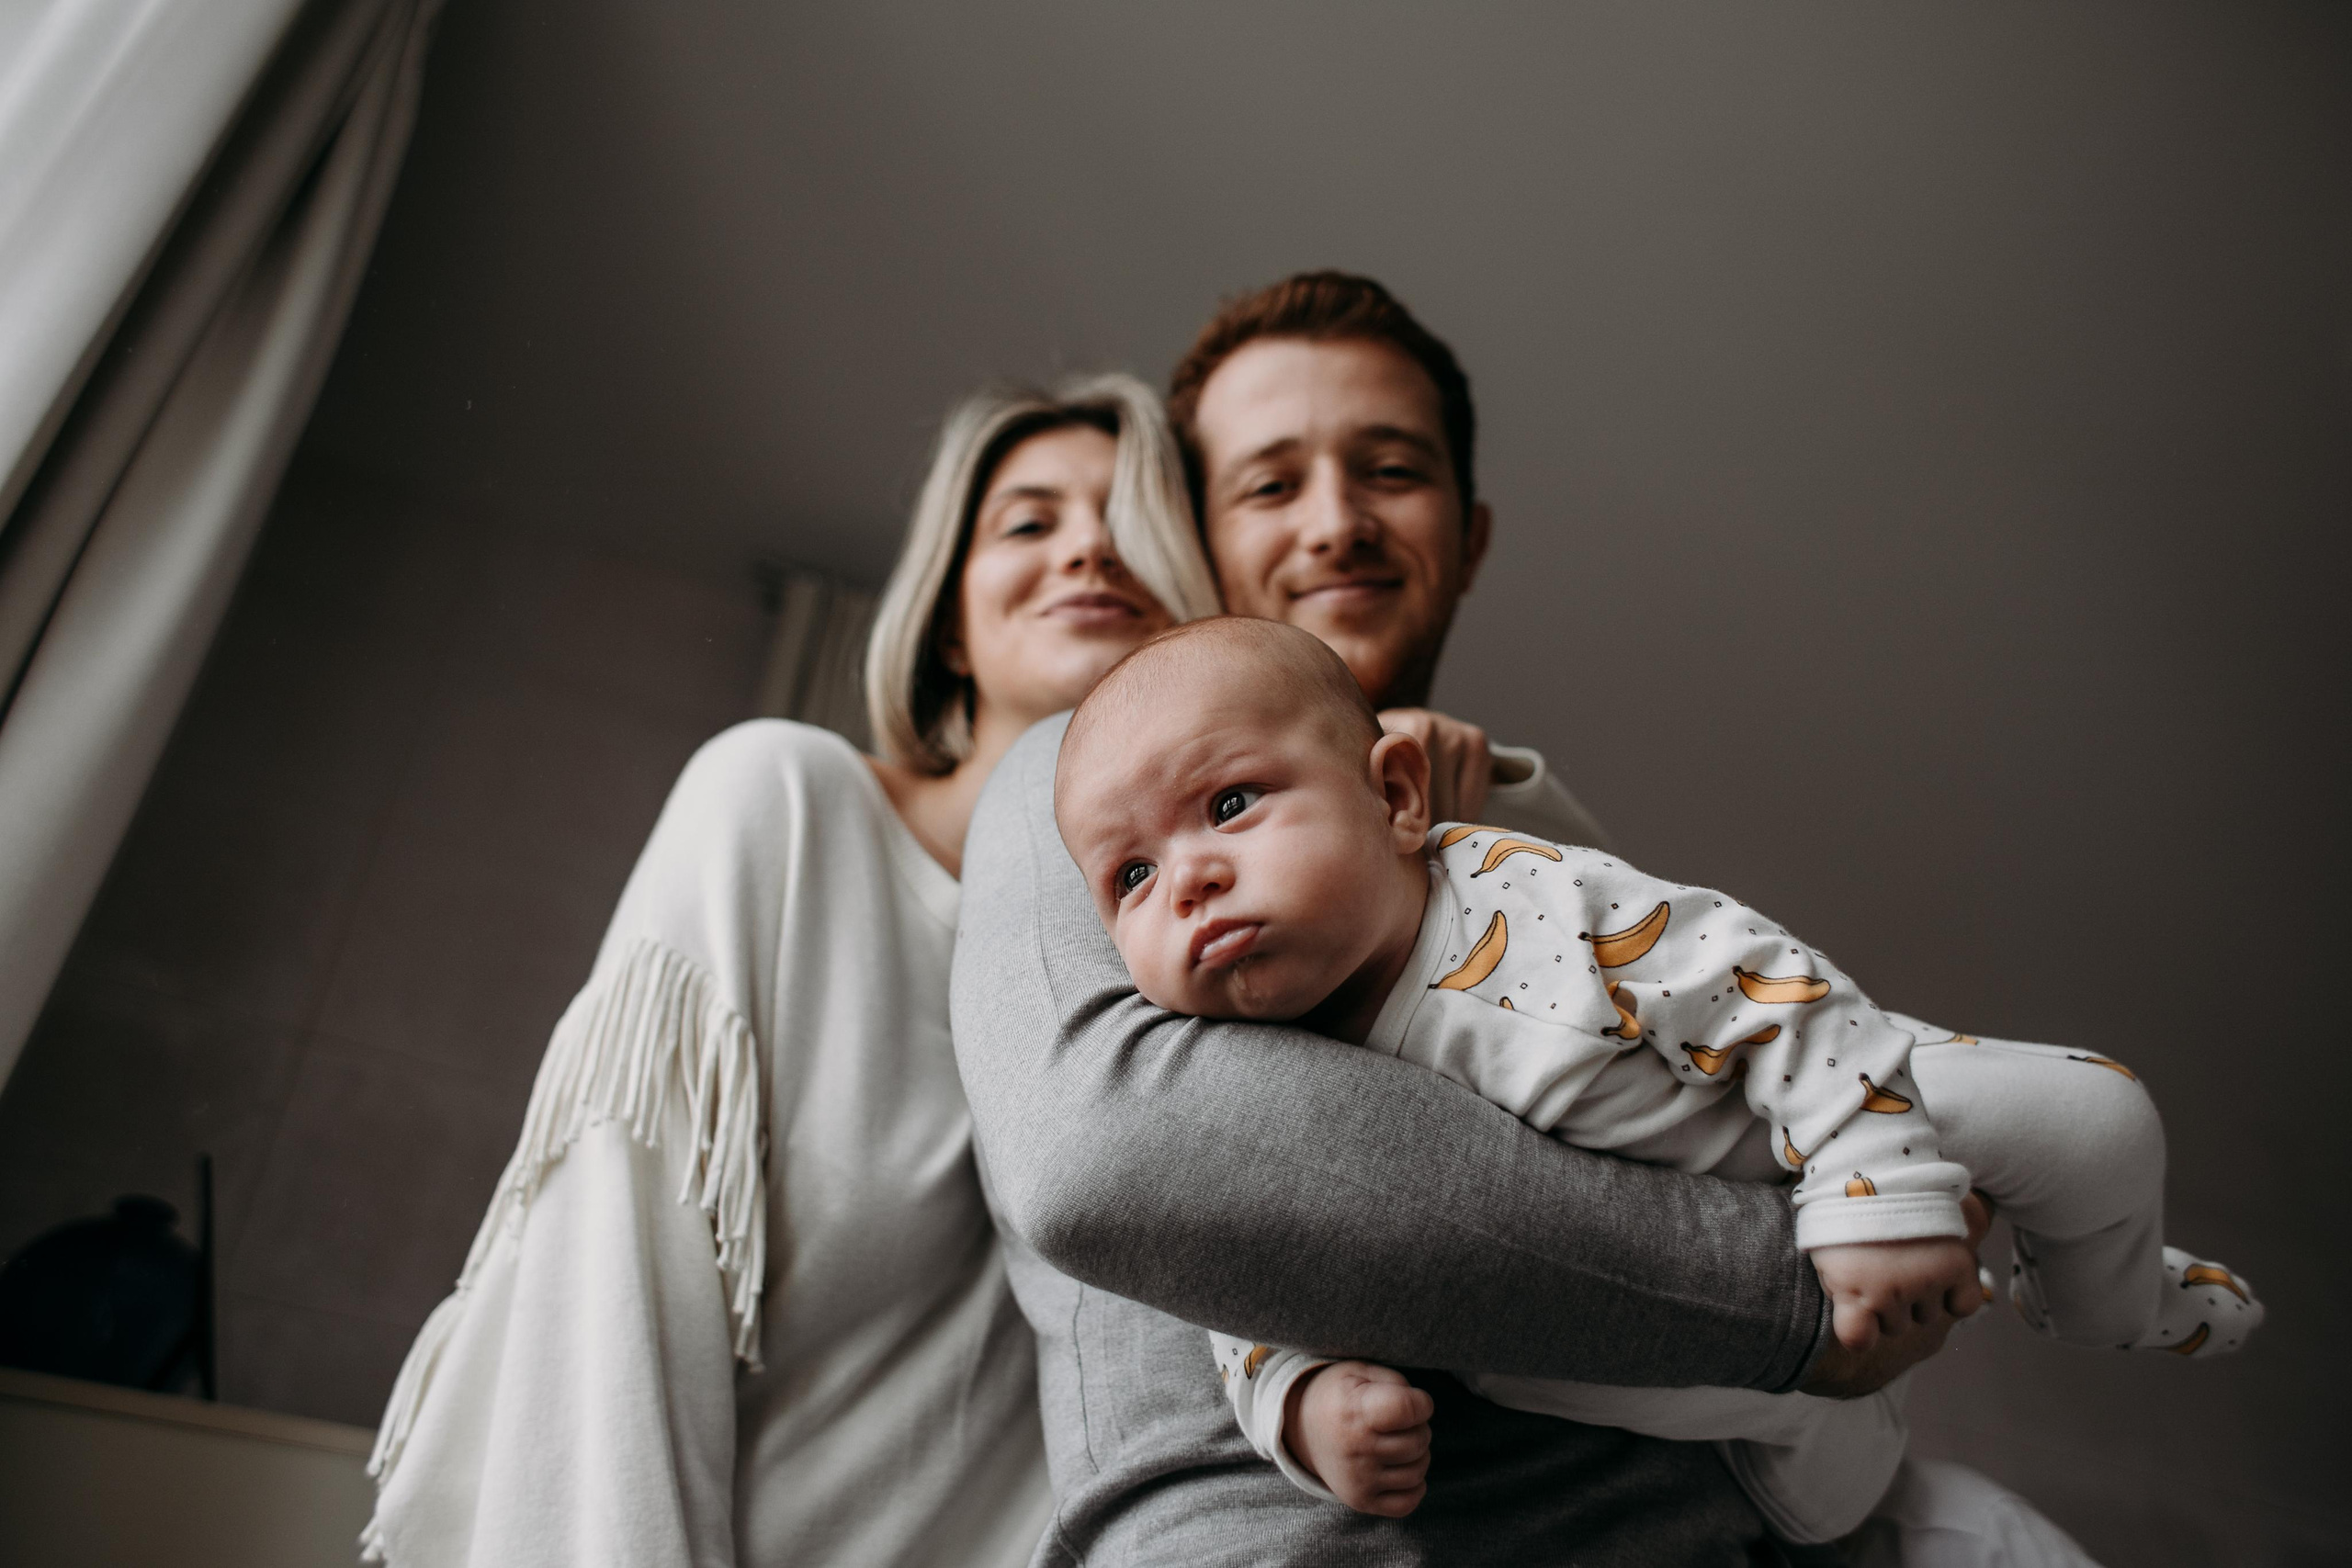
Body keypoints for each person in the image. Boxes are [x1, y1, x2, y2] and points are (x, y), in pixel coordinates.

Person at [950, 271, 1979, 1566]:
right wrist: (1793, 1288)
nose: (1336, 522)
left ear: (1469, 533)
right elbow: (1116, 1150)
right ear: (1190, 533)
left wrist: (1888, 1176)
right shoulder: (1081, 787)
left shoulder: (1545, 864)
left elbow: (1754, 1086)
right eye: (1269, 484)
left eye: (1390, 470)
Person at [1051, 615, 2260, 1546]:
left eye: (1230, 804)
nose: (1191, 879)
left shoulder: (1521, 901)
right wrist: (1303, 1406)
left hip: (1777, 1123)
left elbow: (1762, 989)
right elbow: (1242, 1263)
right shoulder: (1237, 1073)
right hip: (1729, 1402)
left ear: (1397, 796)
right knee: (1829, 1504)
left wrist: (1870, 1180)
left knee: (2092, 1119)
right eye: (1132, 878)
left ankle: (2105, 1297)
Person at [358, 373, 1220, 1567]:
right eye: (1030, 521)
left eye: (1134, 522)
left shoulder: (1203, 975)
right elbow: (610, 1270)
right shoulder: (784, 804)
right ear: (950, 623)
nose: (1089, 549)